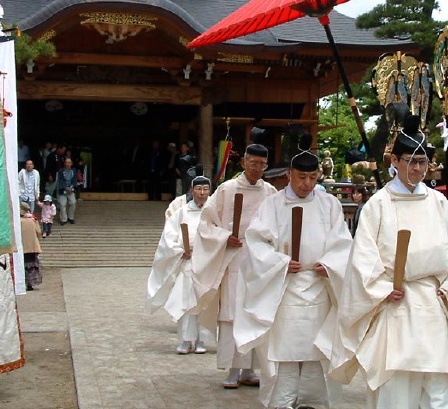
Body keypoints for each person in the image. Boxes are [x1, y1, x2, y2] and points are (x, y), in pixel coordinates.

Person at [326, 115, 448, 409]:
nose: (418, 169)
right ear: (395, 161)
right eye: (412, 161)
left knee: (440, 385)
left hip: (434, 301)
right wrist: (382, 289)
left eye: (423, 162)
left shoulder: (438, 203)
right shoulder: (378, 205)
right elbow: (364, 258)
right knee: (397, 383)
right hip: (395, 301)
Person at [233, 138, 353, 408]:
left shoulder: (330, 204)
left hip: (320, 285)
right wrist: (280, 263)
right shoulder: (273, 205)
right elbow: (255, 242)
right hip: (284, 287)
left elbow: (343, 242)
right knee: (285, 350)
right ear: (289, 174)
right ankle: (282, 401)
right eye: (301, 177)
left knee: (315, 350)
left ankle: (314, 401)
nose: (307, 184)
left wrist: (331, 264)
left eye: (313, 177)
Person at [191, 144, 277, 389]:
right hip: (233, 258)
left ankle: (249, 369)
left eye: (262, 164)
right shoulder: (226, 190)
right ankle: (232, 369)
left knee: (254, 313)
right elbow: (206, 224)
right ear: (243, 163)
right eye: (253, 163)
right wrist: (223, 237)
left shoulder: (270, 192)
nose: (257, 168)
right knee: (231, 316)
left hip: (259, 261)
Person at [147, 176, 213, 354]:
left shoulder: (214, 212)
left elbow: (220, 234)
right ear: (192, 191)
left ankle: (201, 340)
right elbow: (168, 237)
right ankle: (185, 339)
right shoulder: (182, 212)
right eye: (198, 189)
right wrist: (180, 250)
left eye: (205, 189)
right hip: (188, 262)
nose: (202, 193)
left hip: (207, 264)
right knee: (185, 301)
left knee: (204, 302)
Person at [20, 202, 43, 291]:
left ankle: (24, 282)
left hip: (23, 247)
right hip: (33, 246)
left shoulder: (19, 221)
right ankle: (30, 283)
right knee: (32, 266)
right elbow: (39, 232)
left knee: (23, 265)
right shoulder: (33, 220)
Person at [57, 158, 79, 225]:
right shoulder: (61, 171)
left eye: (69, 163)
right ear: (64, 163)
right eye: (66, 162)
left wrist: (71, 188)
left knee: (73, 202)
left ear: (71, 163)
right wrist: (66, 188)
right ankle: (63, 219)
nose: (67, 164)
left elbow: (75, 180)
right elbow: (60, 181)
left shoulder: (74, 171)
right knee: (62, 204)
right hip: (63, 189)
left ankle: (71, 217)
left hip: (71, 189)